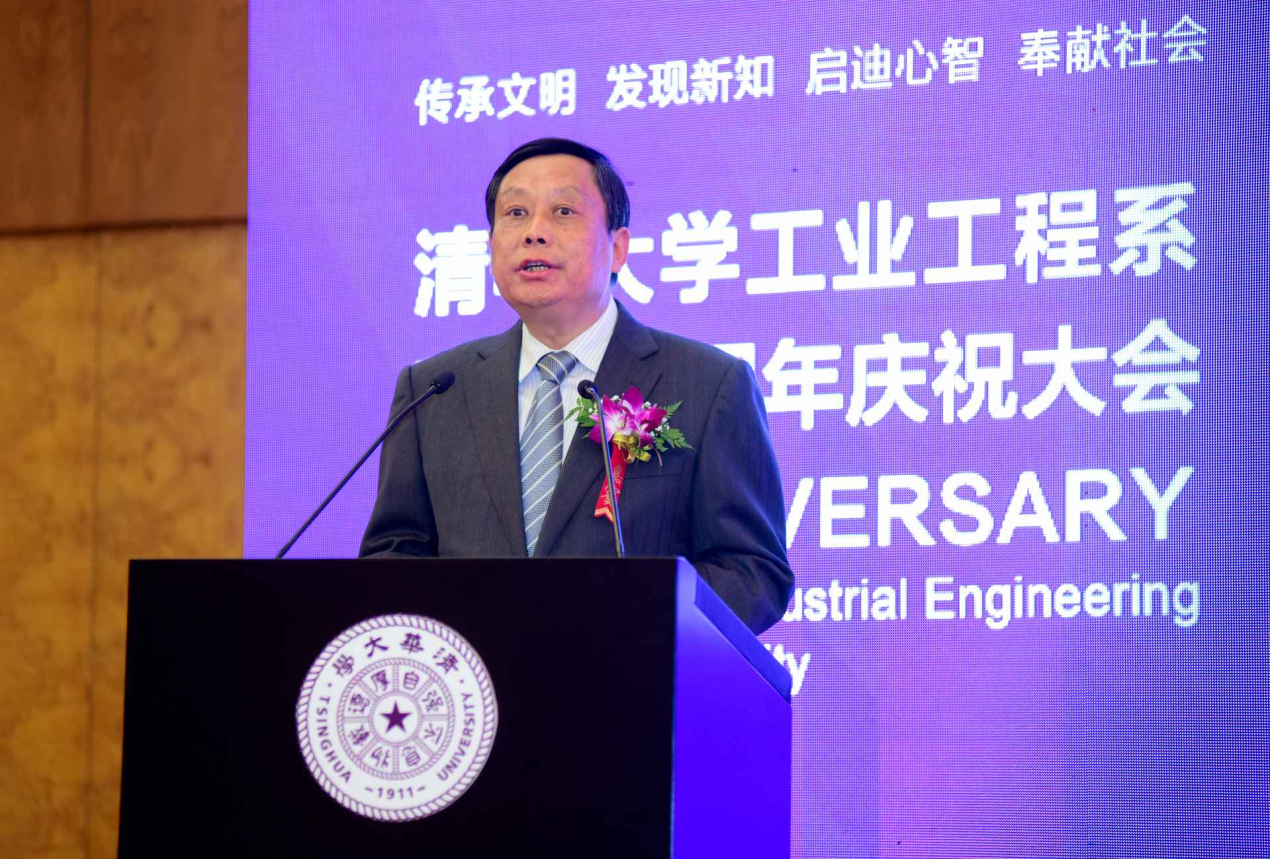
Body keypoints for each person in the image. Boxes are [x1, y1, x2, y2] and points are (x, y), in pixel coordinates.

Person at [360, 138, 792, 633]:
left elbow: (752, 575)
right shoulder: (434, 389)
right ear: (491, 245)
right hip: (472, 677)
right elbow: (391, 559)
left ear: (618, 248)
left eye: (563, 211)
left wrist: (626, 624)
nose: (534, 232)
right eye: (515, 213)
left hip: (628, 672)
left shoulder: (709, 384)